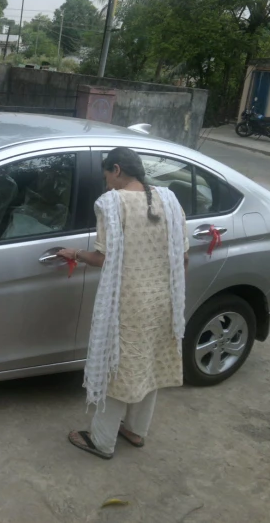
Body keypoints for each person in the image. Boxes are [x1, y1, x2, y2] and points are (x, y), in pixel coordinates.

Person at [58, 147, 189, 460]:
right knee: (149, 364)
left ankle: (102, 441)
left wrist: (75, 253)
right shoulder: (169, 200)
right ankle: (135, 430)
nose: (106, 185)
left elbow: (103, 258)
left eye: (107, 177)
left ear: (117, 169)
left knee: (119, 368)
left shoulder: (111, 204)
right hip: (163, 300)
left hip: (128, 303)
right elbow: (183, 258)